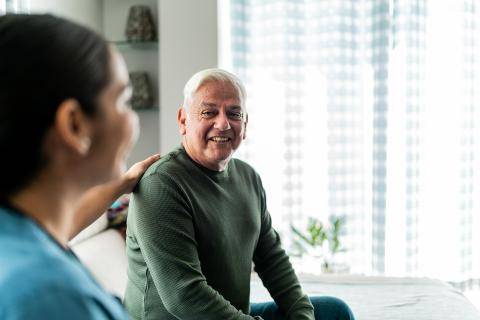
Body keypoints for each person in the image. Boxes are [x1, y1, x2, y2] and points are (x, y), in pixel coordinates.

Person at [125, 68, 355, 320]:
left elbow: (272, 260)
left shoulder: (248, 177)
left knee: (334, 312)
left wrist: (302, 315)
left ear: (244, 125)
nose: (223, 123)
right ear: (183, 120)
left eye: (234, 113)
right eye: (208, 112)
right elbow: (185, 296)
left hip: (231, 314)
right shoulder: (162, 184)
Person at [0, 14, 158, 319]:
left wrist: (125, 181)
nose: (134, 119)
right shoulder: (51, 298)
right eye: (124, 101)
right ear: (74, 125)